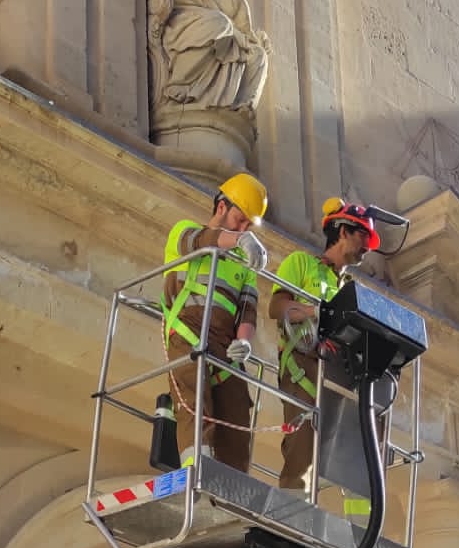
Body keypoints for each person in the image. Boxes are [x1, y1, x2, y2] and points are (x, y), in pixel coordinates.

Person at [269, 198, 381, 497]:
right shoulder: (301, 263)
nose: (367, 247)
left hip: (337, 372)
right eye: (363, 237)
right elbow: (277, 307)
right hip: (303, 365)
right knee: (304, 444)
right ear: (343, 231)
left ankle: (360, 524)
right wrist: (315, 312)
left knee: (356, 446)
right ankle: (293, 512)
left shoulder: (351, 289)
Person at [162, 173, 268, 472]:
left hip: (226, 345)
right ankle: (198, 470)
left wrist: (244, 342)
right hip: (188, 331)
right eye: (240, 219)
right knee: (195, 402)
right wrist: (239, 240)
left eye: (249, 225)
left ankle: (233, 484)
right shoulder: (186, 231)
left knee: (236, 414)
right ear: (221, 206)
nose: (244, 228)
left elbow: (247, 310)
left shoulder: (242, 264)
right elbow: (201, 241)